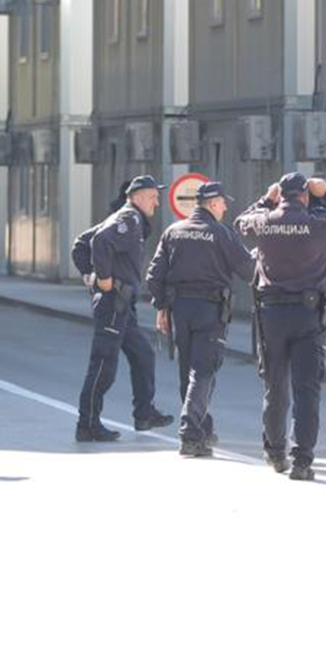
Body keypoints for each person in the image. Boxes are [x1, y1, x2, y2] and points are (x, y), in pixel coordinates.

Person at [234, 173, 326, 480]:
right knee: (307, 389)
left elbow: (240, 222)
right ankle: (302, 460)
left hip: (272, 315)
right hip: (309, 315)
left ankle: (276, 453)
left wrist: (266, 199)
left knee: (275, 386)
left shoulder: (264, 221)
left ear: (281, 195)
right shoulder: (319, 224)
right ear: (305, 196)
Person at [145, 181, 254, 457]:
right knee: (204, 371)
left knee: (188, 372)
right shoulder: (220, 233)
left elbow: (154, 275)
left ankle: (202, 429)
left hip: (180, 309)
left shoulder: (174, 231)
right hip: (210, 309)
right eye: (223, 202)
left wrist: (162, 308)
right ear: (213, 203)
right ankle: (190, 433)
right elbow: (249, 269)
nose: (226, 207)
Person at [75, 175, 174, 442]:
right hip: (112, 303)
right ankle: (88, 424)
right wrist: (101, 279)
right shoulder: (128, 219)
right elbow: (98, 243)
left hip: (122, 304)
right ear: (138, 197)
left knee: (144, 354)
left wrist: (89, 275)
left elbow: (81, 244)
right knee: (104, 365)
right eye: (153, 196)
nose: (156, 202)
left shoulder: (129, 218)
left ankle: (144, 413)